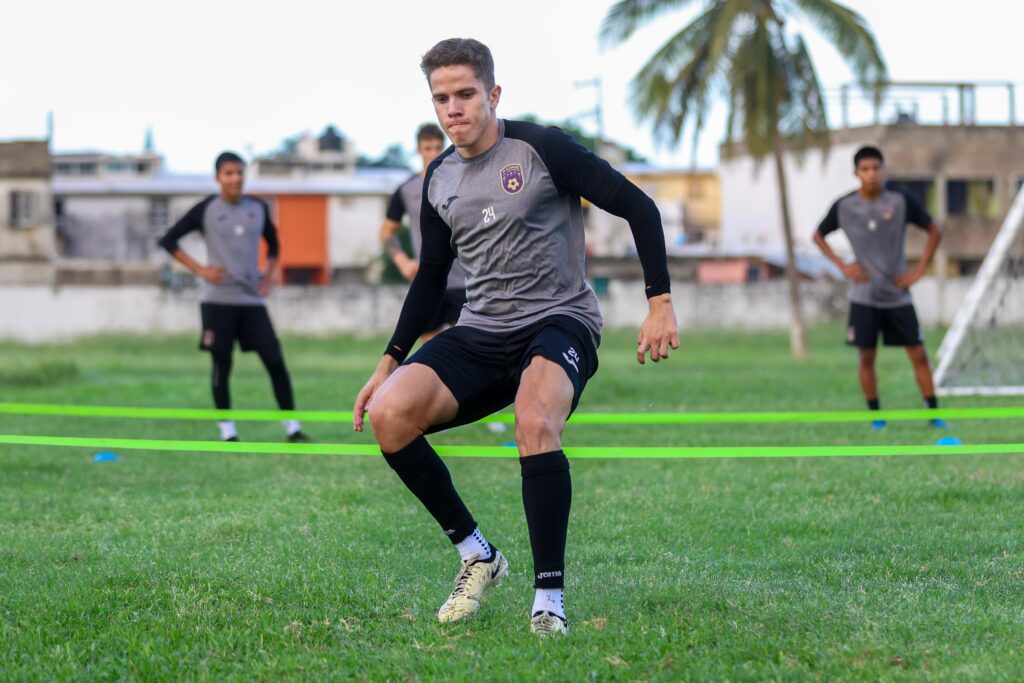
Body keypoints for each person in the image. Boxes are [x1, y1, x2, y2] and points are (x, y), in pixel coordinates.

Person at [352, 38, 678, 636]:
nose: (453, 109)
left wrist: (659, 301)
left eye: (465, 95)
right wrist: (388, 361)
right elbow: (429, 275)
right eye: (441, 98)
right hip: (481, 330)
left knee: (534, 422)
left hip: (559, 320)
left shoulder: (540, 149)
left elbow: (639, 206)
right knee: (391, 414)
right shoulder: (438, 178)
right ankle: (477, 554)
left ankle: (548, 600)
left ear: (493, 94)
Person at [158, 151, 309, 443]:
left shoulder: (258, 208)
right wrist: (201, 269)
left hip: (252, 301)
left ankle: (293, 428)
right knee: (222, 365)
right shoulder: (206, 209)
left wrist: (269, 275)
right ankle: (228, 431)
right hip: (217, 301)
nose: (235, 178)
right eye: (229, 173)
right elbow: (168, 240)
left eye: (239, 172)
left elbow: (274, 244)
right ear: (218, 178)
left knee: (275, 361)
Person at [813, 145, 946, 430]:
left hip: (897, 293)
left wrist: (920, 269)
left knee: (918, 353)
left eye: (876, 168)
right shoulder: (845, 206)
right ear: (856, 173)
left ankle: (933, 415)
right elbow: (818, 235)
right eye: (865, 169)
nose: (871, 174)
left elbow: (935, 229)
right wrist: (842, 266)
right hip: (863, 296)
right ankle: (876, 417)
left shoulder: (900, 201)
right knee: (867, 356)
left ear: (883, 170)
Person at [380, 123, 468, 343]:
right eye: (427, 148)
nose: (433, 153)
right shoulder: (406, 190)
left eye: (438, 147)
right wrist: (402, 262)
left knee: (472, 347)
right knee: (432, 351)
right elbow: (386, 232)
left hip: (464, 281)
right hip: (429, 282)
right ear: (419, 150)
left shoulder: (463, 182)